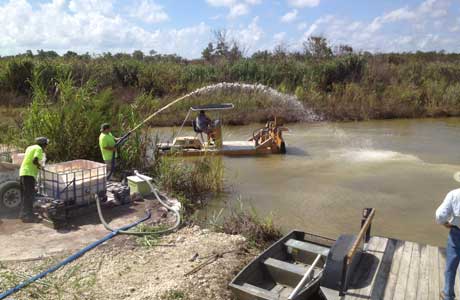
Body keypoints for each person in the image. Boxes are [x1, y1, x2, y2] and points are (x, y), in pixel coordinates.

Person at [436, 183, 460, 300]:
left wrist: (446, 224)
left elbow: (440, 215)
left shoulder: (454, 194)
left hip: (457, 234)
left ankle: (448, 295)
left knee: (451, 266)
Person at [19, 137, 48, 222]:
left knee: (25, 195)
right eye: (46, 144)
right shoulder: (39, 149)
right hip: (29, 174)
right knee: (29, 195)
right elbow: (34, 161)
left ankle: (24, 214)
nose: (46, 146)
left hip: (23, 172)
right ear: (43, 144)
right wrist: (41, 167)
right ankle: (27, 217)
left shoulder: (30, 147)